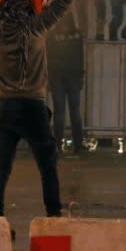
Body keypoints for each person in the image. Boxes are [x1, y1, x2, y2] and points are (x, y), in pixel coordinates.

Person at [0, 0, 96, 222]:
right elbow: (64, 1)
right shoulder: (36, 27)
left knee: (1, 169)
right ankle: (53, 216)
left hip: (6, 106)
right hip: (33, 106)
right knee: (47, 166)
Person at [47, 11, 85, 154]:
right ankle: (77, 145)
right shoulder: (76, 36)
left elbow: (48, 58)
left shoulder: (52, 37)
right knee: (73, 111)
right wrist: (81, 76)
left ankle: (58, 145)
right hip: (72, 76)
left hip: (58, 77)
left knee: (60, 112)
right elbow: (80, 57)